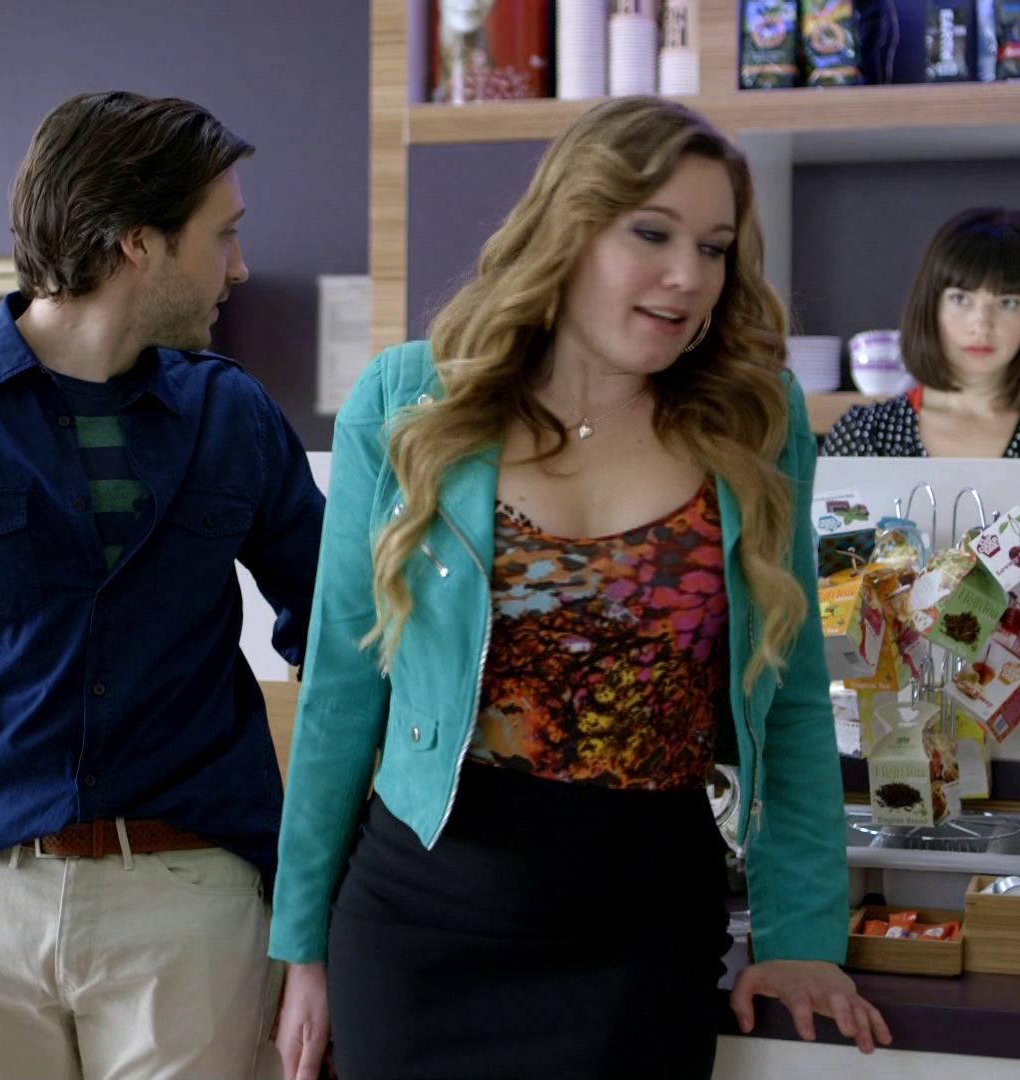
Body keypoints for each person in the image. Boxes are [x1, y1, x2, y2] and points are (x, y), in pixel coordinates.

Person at [269, 96, 892, 1080]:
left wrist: (802, 936)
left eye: (715, 247)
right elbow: (343, 691)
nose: (689, 275)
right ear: (570, 229)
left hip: (643, 941)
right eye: (652, 234)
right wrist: (301, 946)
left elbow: (793, 696)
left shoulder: (754, 416)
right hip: (420, 931)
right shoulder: (409, 400)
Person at [0, 90, 324, 1080]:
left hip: (192, 901)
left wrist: (311, 906)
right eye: (222, 235)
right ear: (138, 242)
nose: (240, 267)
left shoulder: (235, 419)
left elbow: (339, 650)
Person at [824, 207, 1020, 458]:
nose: (982, 324)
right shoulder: (864, 437)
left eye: (1007, 303)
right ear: (930, 307)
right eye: (961, 299)